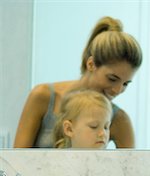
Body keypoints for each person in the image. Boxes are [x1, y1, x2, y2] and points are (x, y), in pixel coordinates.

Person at [14, 16, 142, 148]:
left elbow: (131, 168)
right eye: (112, 79)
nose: (117, 90)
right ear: (91, 64)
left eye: (125, 84)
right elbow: (15, 161)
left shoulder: (119, 119)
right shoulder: (43, 96)